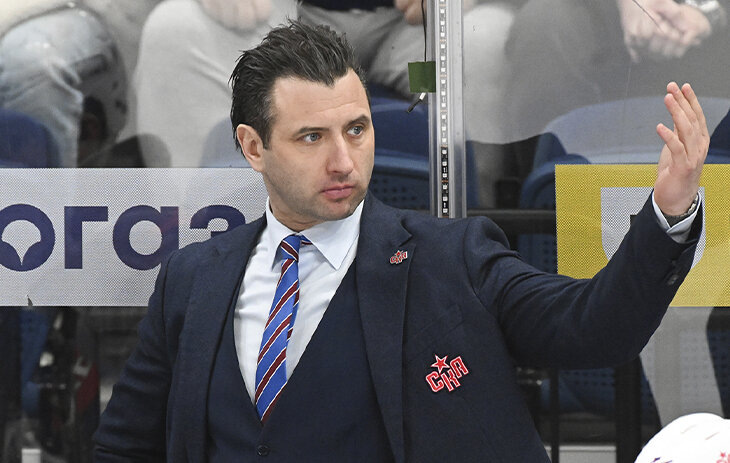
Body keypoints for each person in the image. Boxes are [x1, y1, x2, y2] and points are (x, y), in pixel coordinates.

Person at [94, 21, 708, 461]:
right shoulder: (193, 280)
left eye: (356, 130)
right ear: (253, 147)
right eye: (312, 137)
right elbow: (124, 447)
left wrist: (668, 214)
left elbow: (593, 327)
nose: (343, 160)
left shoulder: (453, 259)